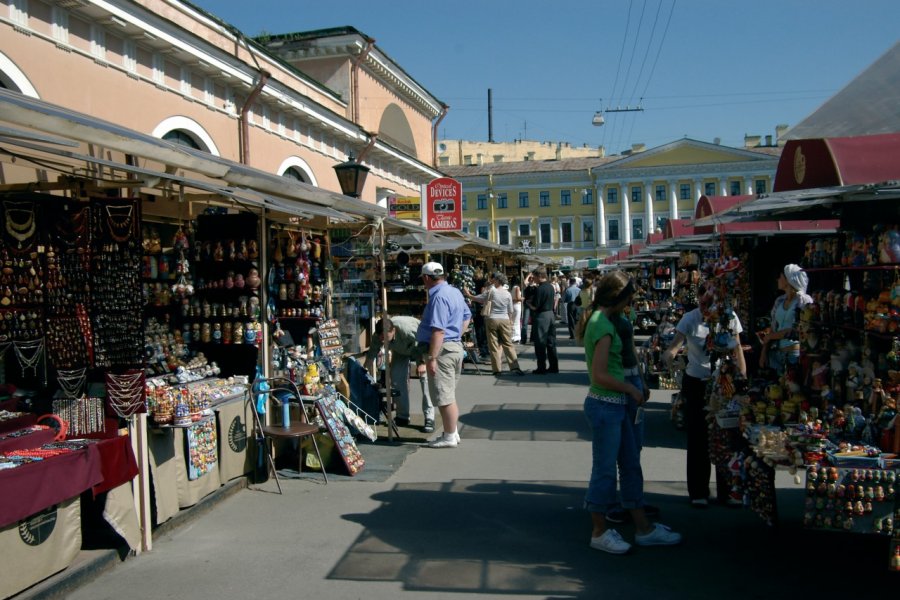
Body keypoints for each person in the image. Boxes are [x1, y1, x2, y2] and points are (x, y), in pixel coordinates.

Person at [580, 271, 682, 554]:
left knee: (629, 464)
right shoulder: (602, 325)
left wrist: (632, 386)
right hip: (606, 404)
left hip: (614, 403)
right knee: (605, 470)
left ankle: (643, 527)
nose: (631, 304)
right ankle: (599, 531)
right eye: (629, 298)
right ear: (620, 297)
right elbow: (600, 374)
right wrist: (631, 389)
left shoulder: (605, 321)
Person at [662, 282, 747, 507]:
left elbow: (737, 348)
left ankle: (728, 491)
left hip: (723, 384)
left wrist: (742, 379)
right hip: (697, 383)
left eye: (710, 302)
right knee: (698, 437)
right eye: (702, 302)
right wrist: (670, 358)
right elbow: (674, 346)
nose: (706, 307)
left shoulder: (728, 317)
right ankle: (698, 491)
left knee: (725, 436)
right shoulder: (690, 318)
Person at [417, 261, 471, 448]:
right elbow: (467, 316)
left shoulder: (438, 297)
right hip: (454, 346)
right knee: (448, 394)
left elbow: (438, 331)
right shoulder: (454, 291)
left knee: (444, 397)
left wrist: (432, 357)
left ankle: (449, 436)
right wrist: (457, 334)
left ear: (426, 278)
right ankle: (452, 432)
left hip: (444, 350)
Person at [364, 316, 434, 433]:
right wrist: (365, 368)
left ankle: (429, 417)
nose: (383, 341)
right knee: (396, 378)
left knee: (425, 379)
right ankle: (403, 416)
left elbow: (423, 342)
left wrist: (421, 362)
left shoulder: (407, 329)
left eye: (386, 338)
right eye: (382, 339)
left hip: (420, 347)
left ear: (393, 331)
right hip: (400, 350)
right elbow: (372, 353)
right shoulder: (378, 335)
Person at [466, 272, 525, 377]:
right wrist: (510, 322)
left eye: (494, 280)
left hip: (492, 318)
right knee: (508, 344)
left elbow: (479, 298)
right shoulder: (507, 294)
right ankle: (514, 367)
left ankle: (497, 369)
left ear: (497, 280)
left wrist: (469, 295)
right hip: (505, 319)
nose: (492, 281)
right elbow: (510, 310)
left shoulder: (491, 291)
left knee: (494, 345)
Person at [759, 264, 813, 375]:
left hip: (794, 354)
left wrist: (770, 337)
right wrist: (764, 352)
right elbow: (774, 327)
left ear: (788, 280)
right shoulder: (779, 301)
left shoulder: (803, 300)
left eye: (780, 276)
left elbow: (798, 329)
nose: (778, 279)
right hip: (778, 353)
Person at [527, 268, 558, 374]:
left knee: (540, 342)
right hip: (550, 314)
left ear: (540, 276)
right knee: (551, 342)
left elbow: (535, 306)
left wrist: (529, 304)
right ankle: (554, 366)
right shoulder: (550, 286)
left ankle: (541, 367)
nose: (534, 279)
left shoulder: (540, 289)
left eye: (534, 277)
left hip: (542, 316)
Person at [521, 273, 538, 344]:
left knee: (534, 323)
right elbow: (524, 282)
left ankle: (532, 339)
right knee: (525, 323)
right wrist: (529, 275)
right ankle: (523, 339)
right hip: (527, 305)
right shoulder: (527, 286)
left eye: (532, 278)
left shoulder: (536, 286)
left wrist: (533, 276)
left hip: (533, 306)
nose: (531, 279)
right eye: (530, 278)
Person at [510, 276, 523, 344]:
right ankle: (517, 337)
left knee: (513, 321)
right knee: (517, 322)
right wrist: (522, 298)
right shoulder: (517, 288)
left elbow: (512, 298)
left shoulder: (512, 288)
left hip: (513, 305)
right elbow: (518, 298)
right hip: (517, 305)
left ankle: (513, 336)